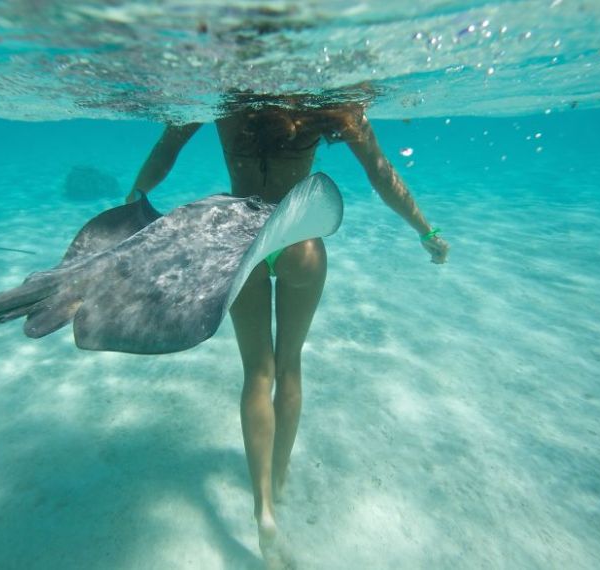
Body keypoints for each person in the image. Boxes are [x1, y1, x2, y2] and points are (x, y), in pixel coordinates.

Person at [127, 95, 449, 568]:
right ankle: (278, 479)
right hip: (300, 241)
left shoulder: (224, 97)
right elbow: (381, 174)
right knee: (288, 366)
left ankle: (265, 512)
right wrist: (426, 231)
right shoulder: (328, 102)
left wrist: (134, 199)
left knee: (257, 373)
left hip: (241, 241)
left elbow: (165, 151)